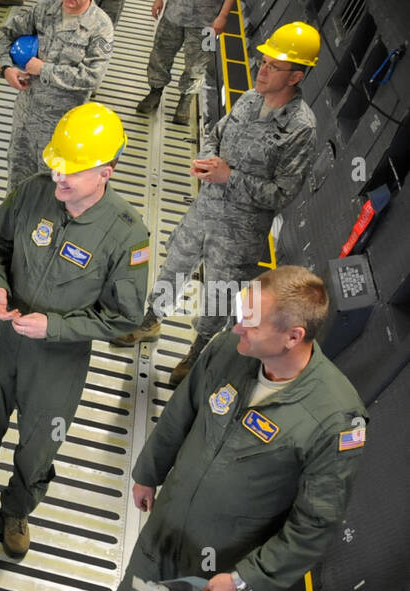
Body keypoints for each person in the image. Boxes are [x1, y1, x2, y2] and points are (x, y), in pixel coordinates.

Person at [71, 266, 367, 591]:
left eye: (249, 322)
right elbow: (182, 412)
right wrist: (149, 470)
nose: (234, 329)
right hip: (169, 523)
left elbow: (313, 527)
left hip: (223, 565)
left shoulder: (336, 419)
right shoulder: (233, 351)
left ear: (293, 336)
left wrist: (244, 579)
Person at [0, 103, 149, 557]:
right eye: (57, 168)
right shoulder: (33, 192)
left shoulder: (127, 235)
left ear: (107, 172)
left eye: (73, 171)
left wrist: (55, 326)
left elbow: (126, 317)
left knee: (39, 446)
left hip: (58, 360)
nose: (60, 180)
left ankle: (17, 508)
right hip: (2, 342)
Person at [114, 22, 319, 386]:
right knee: (175, 262)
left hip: (240, 230)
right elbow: (216, 134)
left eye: (273, 66)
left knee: (219, 294)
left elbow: (283, 193)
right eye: (263, 61)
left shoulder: (300, 129)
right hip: (205, 210)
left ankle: (198, 351)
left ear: (296, 77)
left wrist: (230, 178)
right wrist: (207, 159)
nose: (262, 70)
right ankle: (152, 320)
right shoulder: (251, 98)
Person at [0, 0, 114, 190]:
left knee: (52, 190)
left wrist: (45, 70)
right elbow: (7, 34)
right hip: (25, 120)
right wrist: (6, 67)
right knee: (16, 186)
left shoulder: (99, 26)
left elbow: (92, 76)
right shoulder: (44, 10)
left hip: (60, 129)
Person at [135, 0, 234, 125]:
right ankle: (155, 91)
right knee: (160, 54)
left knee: (198, 65)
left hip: (207, 20)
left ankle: (185, 101)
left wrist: (223, 16)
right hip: (174, 13)